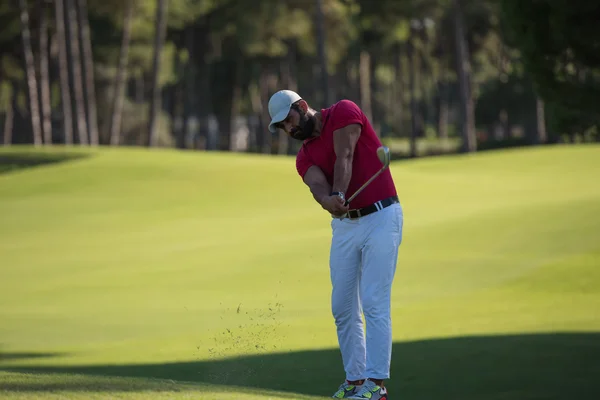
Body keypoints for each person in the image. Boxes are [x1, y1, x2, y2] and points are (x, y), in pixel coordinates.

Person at [268, 90, 404, 400]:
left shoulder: (343, 112)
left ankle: (376, 386)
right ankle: (355, 382)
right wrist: (328, 201)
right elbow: (317, 185)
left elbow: (345, 156)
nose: (288, 129)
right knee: (342, 306)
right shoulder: (304, 156)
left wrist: (339, 195)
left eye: (288, 120)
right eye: (282, 127)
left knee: (373, 301)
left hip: (381, 217)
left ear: (302, 107)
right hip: (345, 226)